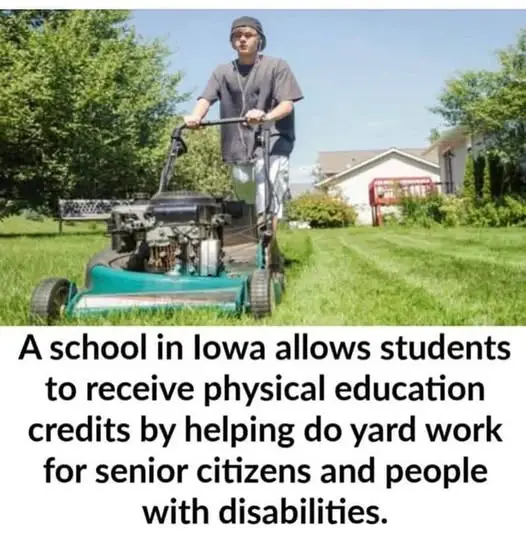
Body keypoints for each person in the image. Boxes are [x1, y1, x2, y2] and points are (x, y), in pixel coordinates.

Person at [183, 15, 304, 270]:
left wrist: (266, 117)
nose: (242, 39)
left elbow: (287, 103)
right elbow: (206, 98)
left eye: (248, 35)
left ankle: (267, 254)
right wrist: (195, 116)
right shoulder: (222, 72)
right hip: (237, 145)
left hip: (274, 141)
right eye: (237, 36)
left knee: (266, 193)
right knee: (246, 199)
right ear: (231, 41)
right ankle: (262, 249)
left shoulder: (276, 66)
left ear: (259, 39)